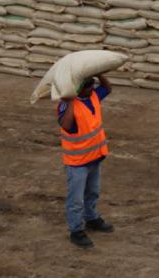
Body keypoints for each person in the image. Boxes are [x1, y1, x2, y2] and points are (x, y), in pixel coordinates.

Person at [57, 75, 115, 248]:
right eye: (87, 85)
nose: (91, 87)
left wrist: (100, 74)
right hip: (77, 163)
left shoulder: (94, 96)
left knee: (93, 192)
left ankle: (91, 218)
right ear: (77, 88)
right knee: (76, 199)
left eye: (92, 84)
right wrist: (69, 99)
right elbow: (66, 125)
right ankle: (76, 231)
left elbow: (108, 88)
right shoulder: (67, 105)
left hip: (94, 157)